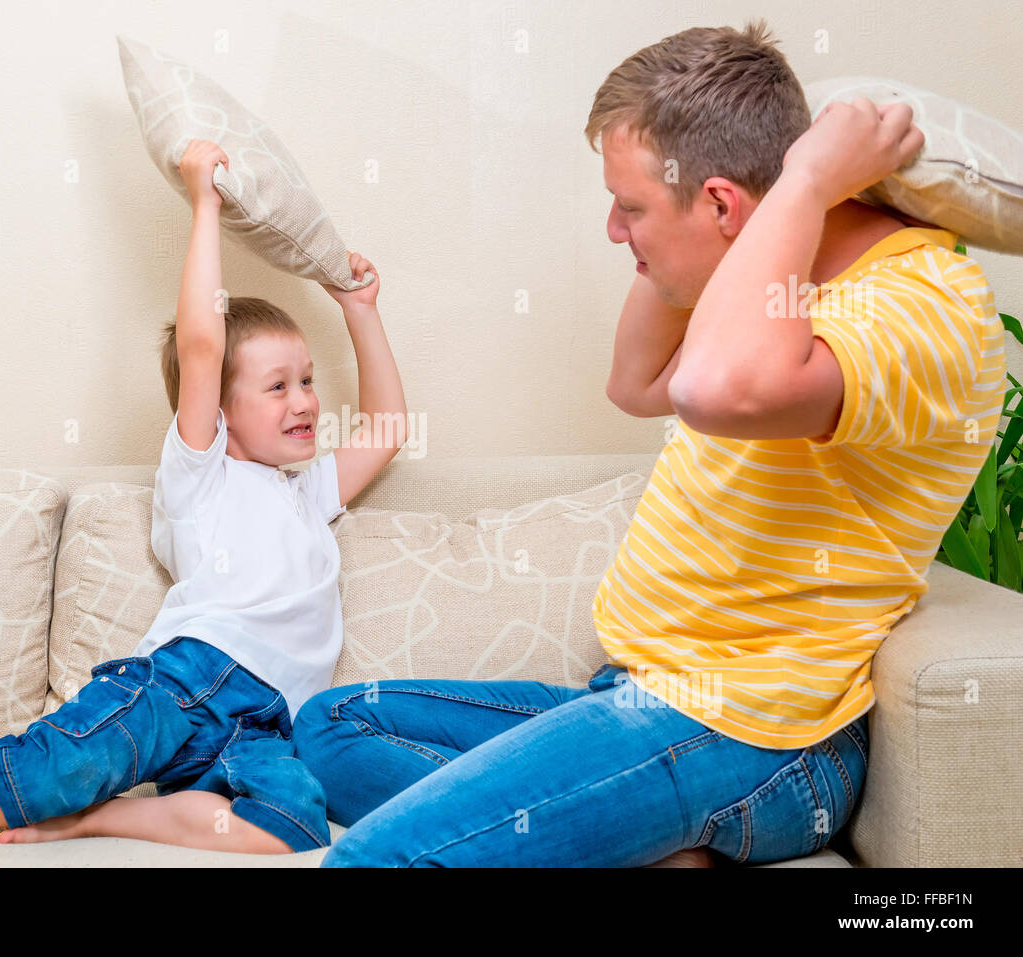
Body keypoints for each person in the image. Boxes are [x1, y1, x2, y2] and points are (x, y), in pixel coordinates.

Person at [292, 19, 1009, 866]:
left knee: (370, 861)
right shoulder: (774, 275)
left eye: (629, 206)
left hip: (754, 733)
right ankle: (633, 839)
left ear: (721, 204)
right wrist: (756, 220)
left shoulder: (921, 306)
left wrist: (802, 182)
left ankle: (616, 822)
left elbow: (711, 391)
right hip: (640, 701)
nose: (611, 230)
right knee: (331, 725)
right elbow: (635, 383)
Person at [0, 137, 409, 854]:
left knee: (292, 826)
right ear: (222, 414)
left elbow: (387, 429)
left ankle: (95, 817)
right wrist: (204, 202)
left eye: (307, 379)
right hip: (181, 688)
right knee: (15, 790)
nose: (303, 400)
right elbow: (202, 343)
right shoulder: (202, 475)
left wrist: (360, 311)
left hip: (272, 725)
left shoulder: (307, 491)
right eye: (277, 386)